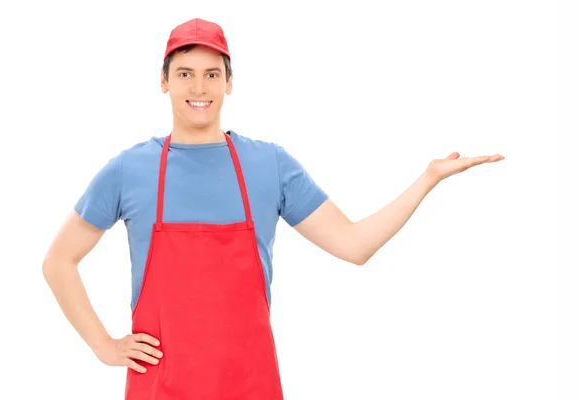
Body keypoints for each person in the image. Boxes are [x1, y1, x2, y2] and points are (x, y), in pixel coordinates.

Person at [42, 18, 504, 399]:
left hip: (250, 386)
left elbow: (354, 245)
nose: (198, 86)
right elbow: (58, 261)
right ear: (163, 82)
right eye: (184, 73)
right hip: (159, 388)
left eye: (211, 73)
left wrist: (426, 180)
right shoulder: (130, 170)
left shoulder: (268, 165)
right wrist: (103, 345)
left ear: (229, 83)